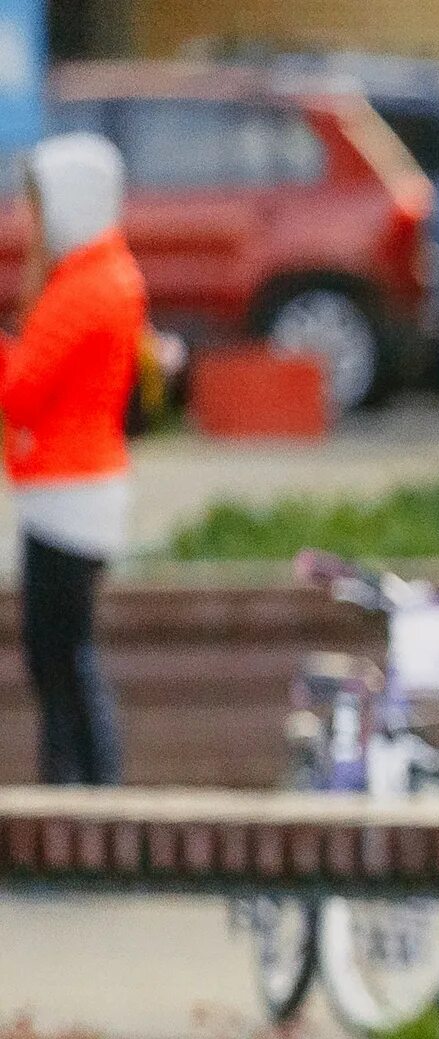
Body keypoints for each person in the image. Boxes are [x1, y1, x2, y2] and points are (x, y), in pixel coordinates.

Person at [6, 134, 143, 785]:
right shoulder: (103, 276)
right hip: (74, 487)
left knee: (59, 653)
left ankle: (83, 790)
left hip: (71, 491)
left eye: (35, 204)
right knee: (61, 652)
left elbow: (20, 394)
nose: (26, 222)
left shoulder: (86, 286)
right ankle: (79, 787)